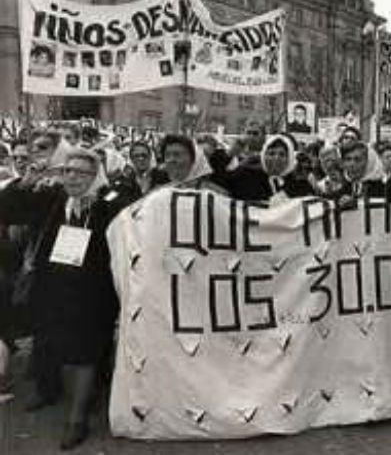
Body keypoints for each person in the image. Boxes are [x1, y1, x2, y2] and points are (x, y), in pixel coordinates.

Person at [0, 148, 134, 449]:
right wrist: (26, 183)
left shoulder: (108, 203)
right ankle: (48, 392)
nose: (71, 176)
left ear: (95, 174)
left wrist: (99, 203)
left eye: (80, 172)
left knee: (85, 352)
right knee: (48, 341)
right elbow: (9, 210)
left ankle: (78, 419)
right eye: (67, 170)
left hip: (93, 293)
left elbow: (127, 227)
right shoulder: (54, 198)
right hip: (52, 287)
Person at [225, 134, 314, 202]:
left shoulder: (299, 186)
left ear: (289, 159)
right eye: (271, 153)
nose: (276, 158)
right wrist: (229, 155)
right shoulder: (246, 176)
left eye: (282, 154)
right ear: (264, 155)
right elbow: (221, 184)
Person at [157, 134, 227, 194]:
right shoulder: (160, 193)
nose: (171, 160)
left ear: (193, 160)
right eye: (167, 155)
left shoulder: (215, 194)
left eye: (177, 155)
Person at [338, 141, 386, 206]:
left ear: (369, 163)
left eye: (358, 159)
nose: (352, 164)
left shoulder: (382, 189)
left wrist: (355, 203)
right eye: (348, 159)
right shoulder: (342, 186)